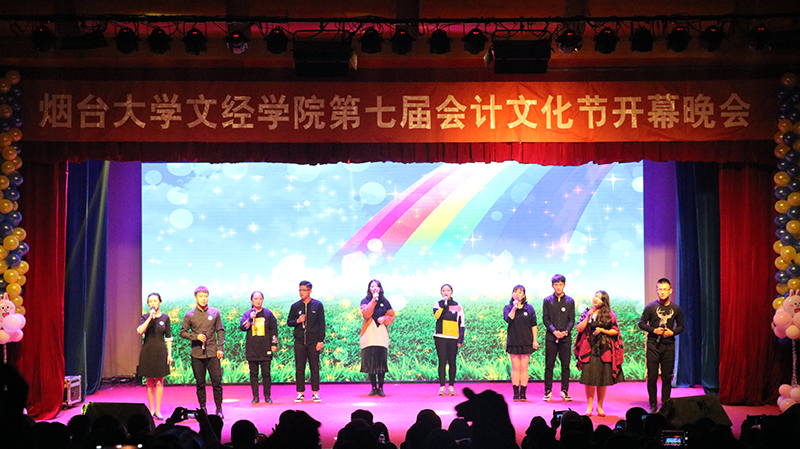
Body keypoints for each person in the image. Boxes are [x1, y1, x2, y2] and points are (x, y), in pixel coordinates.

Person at [638, 278, 685, 413]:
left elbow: (681, 326)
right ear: (656, 290)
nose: (663, 292)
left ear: (670, 291)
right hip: (653, 345)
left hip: (669, 346)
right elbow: (641, 323)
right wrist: (654, 330)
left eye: (665, 289)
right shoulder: (650, 307)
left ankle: (665, 404)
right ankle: (653, 404)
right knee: (652, 377)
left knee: (666, 377)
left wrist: (672, 332)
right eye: (660, 289)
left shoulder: (676, 309)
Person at [574, 290, 624, 417]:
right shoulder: (587, 312)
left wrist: (603, 330)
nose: (596, 299)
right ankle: (589, 406)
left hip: (604, 349)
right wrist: (587, 316)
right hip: (588, 349)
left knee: (602, 379)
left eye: (599, 298)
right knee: (589, 379)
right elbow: (579, 328)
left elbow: (615, 331)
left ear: (604, 301)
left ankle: (600, 406)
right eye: (595, 296)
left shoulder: (610, 314)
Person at [180, 286, 225, 418]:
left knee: (217, 382)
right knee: (200, 383)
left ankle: (219, 408)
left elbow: (220, 330)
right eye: (201, 296)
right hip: (197, 354)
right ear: (196, 298)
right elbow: (182, 332)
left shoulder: (215, 312)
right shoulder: (190, 314)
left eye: (205, 296)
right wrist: (196, 337)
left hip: (212, 353)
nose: (203, 299)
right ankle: (203, 409)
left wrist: (220, 348)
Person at [136, 292, 173, 420]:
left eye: (155, 301)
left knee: (159, 381)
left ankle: (158, 410)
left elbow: (168, 337)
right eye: (150, 301)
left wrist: (170, 354)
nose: (153, 303)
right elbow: (140, 331)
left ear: (160, 302)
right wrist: (149, 319)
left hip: (160, 352)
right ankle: (151, 409)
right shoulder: (145, 317)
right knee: (149, 382)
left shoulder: (165, 318)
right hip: (148, 351)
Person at [287, 280, 326, 403]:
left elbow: (322, 324)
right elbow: (289, 322)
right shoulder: (295, 306)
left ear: (310, 291)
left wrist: (320, 341)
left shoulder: (317, 305)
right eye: (300, 290)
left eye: (304, 290)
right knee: (300, 368)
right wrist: (297, 321)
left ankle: (315, 392)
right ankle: (300, 393)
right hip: (299, 342)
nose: (301, 292)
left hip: (313, 342)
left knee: (314, 367)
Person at [239, 291, 278, 404]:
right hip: (252, 348)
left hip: (265, 347)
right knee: (253, 374)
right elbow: (243, 327)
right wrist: (250, 319)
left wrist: (274, 344)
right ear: (251, 300)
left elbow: (274, 330)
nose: (258, 301)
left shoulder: (268, 314)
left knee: (266, 373)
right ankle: (255, 396)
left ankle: (267, 396)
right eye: (255, 299)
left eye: (260, 298)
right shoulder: (247, 314)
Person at [541, 274, 575, 402]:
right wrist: (554, 331)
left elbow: (572, 319)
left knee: (565, 366)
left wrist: (566, 331)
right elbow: (545, 319)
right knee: (549, 365)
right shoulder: (547, 301)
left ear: (564, 285)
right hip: (551, 337)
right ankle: (548, 391)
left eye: (561, 284)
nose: (558, 287)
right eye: (556, 285)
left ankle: (564, 391)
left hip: (565, 338)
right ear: (552, 286)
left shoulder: (570, 301)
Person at [359, 279, 395, 397]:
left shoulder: (385, 302)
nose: (374, 288)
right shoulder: (365, 301)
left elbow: (391, 316)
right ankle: (373, 387)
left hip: (381, 335)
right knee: (370, 363)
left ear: (380, 288)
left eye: (377, 286)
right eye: (372, 286)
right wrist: (373, 301)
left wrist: (384, 319)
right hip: (369, 335)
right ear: (369, 289)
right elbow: (366, 314)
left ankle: (381, 388)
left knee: (381, 363)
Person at [503, 284, 539, 401]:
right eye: (515, 292)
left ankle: (523, 393)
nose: (517, 294)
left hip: (526, 341)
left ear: (524, 295)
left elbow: (534, 325)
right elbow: (509, 319)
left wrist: (535, 340)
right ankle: (515, 393)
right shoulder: (508, 307)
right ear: (512, 294)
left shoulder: (529, 308)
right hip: (513, 341)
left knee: (524, 368)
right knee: (515, 368)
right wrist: (514, 308)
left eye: (520, 292)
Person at [433, 283, 465, 396]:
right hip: (440, 337)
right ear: (441, 293)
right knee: (442, 362)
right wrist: (443, 305)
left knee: (452, 362)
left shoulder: (457, 305)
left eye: (448, 290)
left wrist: (460, 339)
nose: (446, 292)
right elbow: (437, 316)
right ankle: (442, 387)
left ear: (451, 292)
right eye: (443, 290)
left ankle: (451, 386)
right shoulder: (438, 304)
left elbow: (461, 323)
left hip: (453, 338)